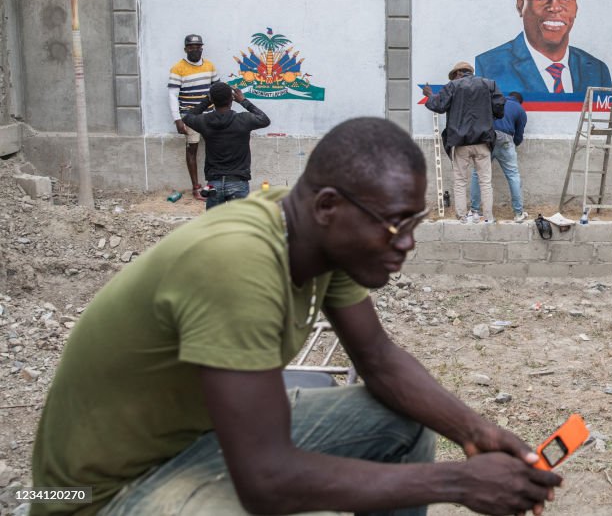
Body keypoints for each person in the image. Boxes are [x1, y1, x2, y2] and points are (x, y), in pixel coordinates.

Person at [30, 117, 561, 516]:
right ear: (329, 207)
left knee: (401, 425)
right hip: (101, 494)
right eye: (395, 224)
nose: (408, 243)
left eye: (414, 221)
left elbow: (378, 360)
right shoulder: (236, 262)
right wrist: (458, 484)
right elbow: (267, 479)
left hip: (195, 443)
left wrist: (476, 431)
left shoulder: (319, 237)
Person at [475, 0, 611, 95]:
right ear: (520, 4)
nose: (554, 7)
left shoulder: (597, 71)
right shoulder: (487, 67)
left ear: (576, 6)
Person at [423, 61, 505, 223]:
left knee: (460, 181)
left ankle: (462, 217)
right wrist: (488, 116)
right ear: (470, 72)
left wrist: (430, 95)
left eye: (454, 75)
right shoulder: (489, 84)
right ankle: (488, 217)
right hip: (483, 141)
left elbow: (438, 106)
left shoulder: (453, 86)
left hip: (460, 142)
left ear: (458, 73)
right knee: (485, 182)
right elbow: (500, 107)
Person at [182, 81, 271, 210]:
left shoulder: (204, 121)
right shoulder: (244, 119)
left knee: (215, 228)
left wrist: (207, 100)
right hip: (239, 182)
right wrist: (243, 101)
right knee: (240, 227)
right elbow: (264, 119)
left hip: (213, 184)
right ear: (231, 99)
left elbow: (187, 117)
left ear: (212, 100)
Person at [169, 33, 220, 200]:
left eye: (198, 47)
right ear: (185, 49)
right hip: (190, 116)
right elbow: (172, 96)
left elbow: (217, 90)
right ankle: (196, 188)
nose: (195, 50)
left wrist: (221, 113)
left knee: (215, 149)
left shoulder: (210, 66)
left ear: (202, 48)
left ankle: (213, 184)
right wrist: (177, 120)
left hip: (210, 115)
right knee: (192, 149)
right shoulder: (178, 68)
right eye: (191, 47)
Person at [470, 91, 529, 222]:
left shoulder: (493, 102)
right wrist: (514, 144)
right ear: (519, 101)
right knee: (513, 175)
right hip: (505, 140)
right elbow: (519, 135)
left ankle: (474, 210)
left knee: (477, 173)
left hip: (486, 138)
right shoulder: (520, 110)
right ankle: (518, 213)